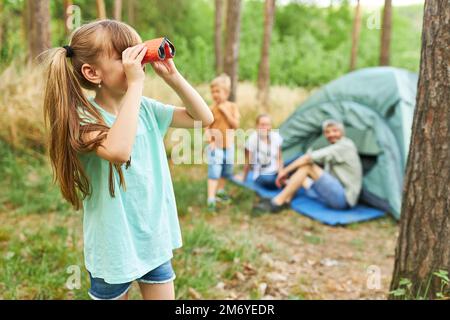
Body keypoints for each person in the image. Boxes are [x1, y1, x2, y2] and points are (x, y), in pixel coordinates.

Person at [41, 20, 213, 300]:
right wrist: (136, 86)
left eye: (136, 52)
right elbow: (119, 151)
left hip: (152, 237)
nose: (135, 62)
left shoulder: (145, 109)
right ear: (92, 72)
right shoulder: (84, 120)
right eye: (124, 56)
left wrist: (173, 77)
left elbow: (203, 119)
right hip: (113, 245)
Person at [263, 120, 362, 213]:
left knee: (307, 167)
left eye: (335, 131)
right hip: (334, 192)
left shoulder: (345, 146)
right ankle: (287, 199)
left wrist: (284, 172)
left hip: (344, 199)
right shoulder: (335, 147)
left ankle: (277, 203)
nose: (331, 134)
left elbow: (307, 158)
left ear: (342, 132)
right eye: (327, 132)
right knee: (302, 174)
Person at [205, 74, 240, 212]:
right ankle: (211, 198)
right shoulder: (210, 108)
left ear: (226, 92)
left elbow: (235, 125)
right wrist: (210, 140)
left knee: (227, 170)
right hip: (216, 146)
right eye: (213, 91)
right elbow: (206, 127)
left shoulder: (232, 107)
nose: (215, 94)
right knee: (214, 171)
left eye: (217, 91)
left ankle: (220, 191)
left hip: (229, 146)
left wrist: (226, 113)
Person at [237, 114, 284, 189]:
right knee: (269, 180)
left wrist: (281, 172)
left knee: (298, 159)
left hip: (276, 171)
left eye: (267, 124)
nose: (265, 127)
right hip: (262, 175)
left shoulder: (276, 136)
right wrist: (243, 179)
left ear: (271, 126)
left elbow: (279, 158)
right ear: (257, 126)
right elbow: (248, 162)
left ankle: (285, 180)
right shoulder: (253, 139)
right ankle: (287, 182)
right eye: (262, 125)